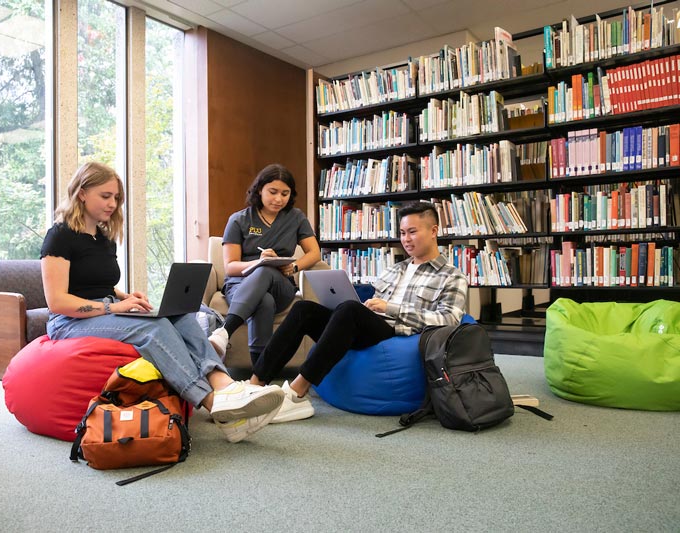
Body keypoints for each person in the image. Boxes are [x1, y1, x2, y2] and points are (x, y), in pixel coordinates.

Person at [40, 161, 285, 443]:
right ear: (82, 193)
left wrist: (126, 297)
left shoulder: (102, 237)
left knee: (180, 315)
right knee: (154, 329)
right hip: (68, 322)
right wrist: (112, 307)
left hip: (103, 309)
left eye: (116, 198)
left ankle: (224, 384)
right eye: (105, 196)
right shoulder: (60, 236)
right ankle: (212, 403)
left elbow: (98, 285)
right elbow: (57, 301)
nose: (112, 204)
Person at [249, 201, 469, 423]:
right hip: (368, 324)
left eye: (412, 232)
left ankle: (297, 393)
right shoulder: (394, 269)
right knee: (304, 309)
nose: (406, 239)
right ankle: (255, 383)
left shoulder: (451, 276)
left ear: (433, 231)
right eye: (402, 233)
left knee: (350, 310)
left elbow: (449, 319)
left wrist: (390, 308)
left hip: (397, 330)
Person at [208, 163, 321, 365]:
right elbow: (231, 266)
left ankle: (225, 331)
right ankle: (260, 376)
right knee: (264, 300)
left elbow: (314, 253)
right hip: (240, 285)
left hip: (281, 286)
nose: (278, 199)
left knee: (267, 270)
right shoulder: (239, 220)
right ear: (260, 189)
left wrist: (294, 267)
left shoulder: (296, 218)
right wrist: (257, 263)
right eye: (273, 192)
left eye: (285, 194)